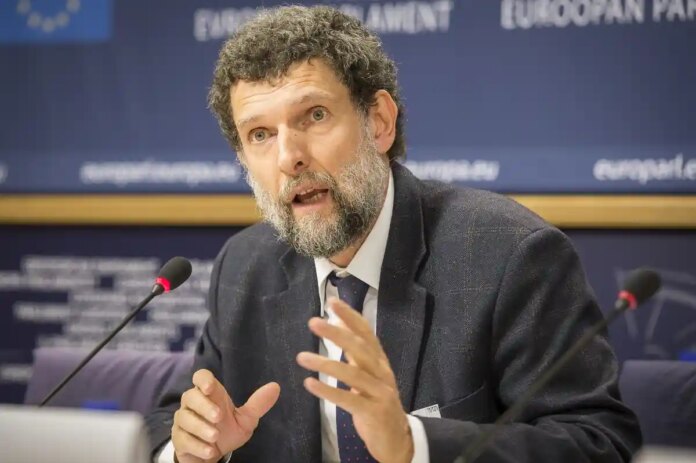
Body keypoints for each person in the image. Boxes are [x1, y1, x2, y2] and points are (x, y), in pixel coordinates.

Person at [145, 5, 641, 463]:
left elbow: (597, 443)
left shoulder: (510, 256)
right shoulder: (243, 267)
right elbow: (176, 417)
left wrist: (414, 445)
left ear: (379, 122)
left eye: (314, 116)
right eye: (260, 134)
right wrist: (192, 449)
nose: (288, 157)